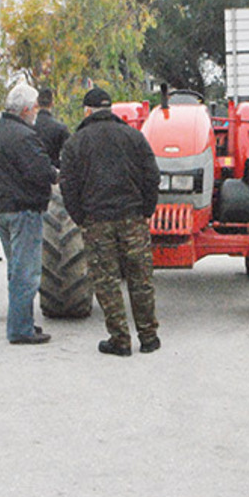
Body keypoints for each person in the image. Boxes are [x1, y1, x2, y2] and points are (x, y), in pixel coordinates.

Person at [59, 87, 161, 357]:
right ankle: (149, 337)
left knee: (107, 282)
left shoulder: (75, 143)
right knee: (141, 279)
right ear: (110, 109)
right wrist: (146, 210)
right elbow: (152, 175)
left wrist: (80, 217)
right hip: (133, 218)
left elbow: (67, 186)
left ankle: (120, 340)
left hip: (97, 221)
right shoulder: (134, 137)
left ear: (87, 111)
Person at [0, 83, 56, 345]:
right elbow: (41, 171)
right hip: (24, 210)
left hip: (1, 209)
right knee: (26, 273)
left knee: (15, 271)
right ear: (26, 109)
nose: (37, 111)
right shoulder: (24, 136)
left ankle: (22, 321)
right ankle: (21, 328)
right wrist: (55, 175)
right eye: (35, 106)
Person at [34, 88, 70, 168]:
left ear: (37, 103)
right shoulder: (60, 128)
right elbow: (70, 153)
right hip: (52, 171)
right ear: (52, 103)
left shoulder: (28, 126)